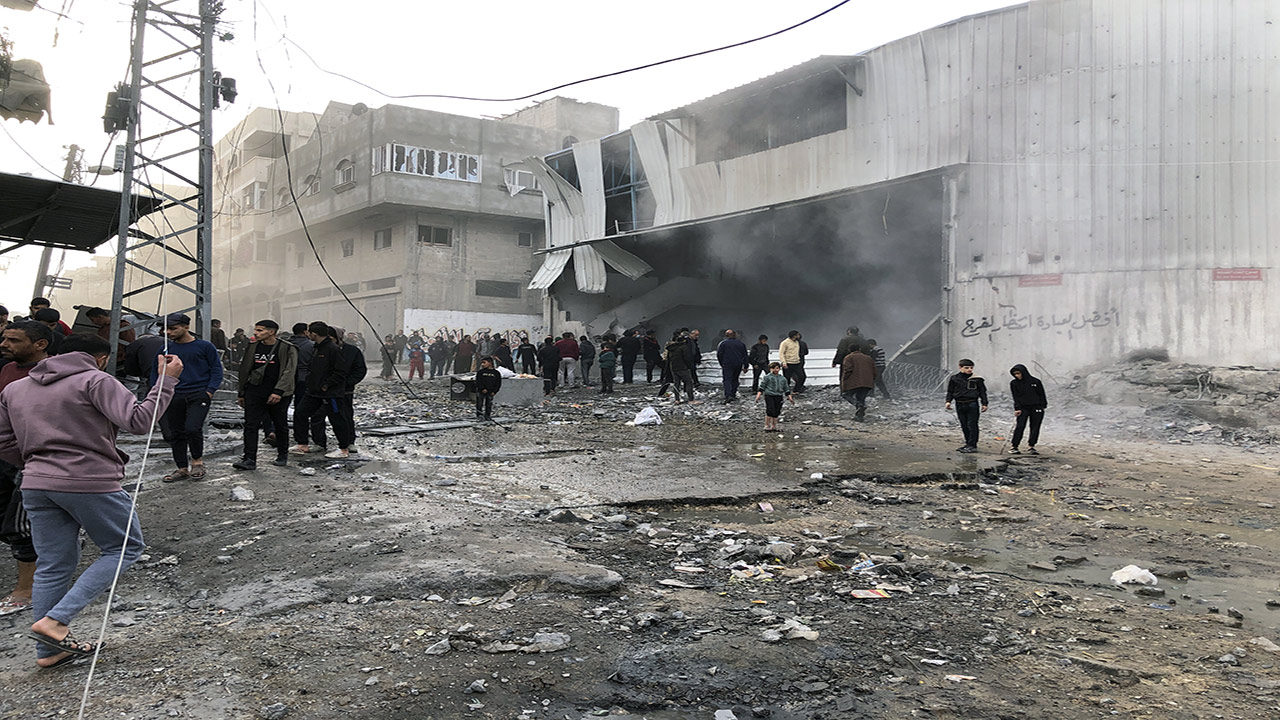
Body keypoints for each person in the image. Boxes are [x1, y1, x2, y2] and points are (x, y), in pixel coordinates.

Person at [0, 333, 181, 668]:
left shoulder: (15, 388)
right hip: (90, 481)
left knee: (53, 564)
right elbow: (139, 422)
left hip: (36, 484)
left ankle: (49, 651)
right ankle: (56, 621)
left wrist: (38, 464)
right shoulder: (96, 380)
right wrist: (165, 381)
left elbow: (3, 441)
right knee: (125, 547)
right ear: (101, 358)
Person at [0, 320, 54, 618]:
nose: (4, 345)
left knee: (19, 526)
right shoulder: (8, 370)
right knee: (5, 521)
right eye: (4, 338)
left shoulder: (53, 372)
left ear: (40, 344)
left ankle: (27, 590)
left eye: (13, 340)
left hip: (35, 459)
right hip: (6, 455)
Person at [154, 313, 223, 482]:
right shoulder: (165, 349)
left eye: (173, 328)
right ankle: (182, 467)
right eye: (166, 329)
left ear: (186, 327)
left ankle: (197, 462)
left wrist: (209, 390)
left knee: (193, 428)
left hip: (198, 394)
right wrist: (157, 391)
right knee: (176, 432)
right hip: (174, 394)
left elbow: (216, 369)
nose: (168, 332)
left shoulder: (204, 347)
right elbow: (155, 371)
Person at [233, 320, 297, 471]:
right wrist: (241, 392)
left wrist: (279, 391)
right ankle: (249, 458)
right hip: (254, 391)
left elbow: (289, 371)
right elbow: (245, 369)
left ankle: (282, 455)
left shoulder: (287, 348)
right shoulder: (253, 346)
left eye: (260, 330)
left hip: (278, 393)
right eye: (256, 330)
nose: (256, 333)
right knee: (251, 425)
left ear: (271, 331)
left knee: (280, 424)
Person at [291, 322, 352, 458]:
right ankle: (302, 444)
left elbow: (341, 371)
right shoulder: (316, 348)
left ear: (314, 334)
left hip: (331, 393)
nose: (307, 334)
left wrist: (327, 384)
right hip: (314, 391)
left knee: (337, 419)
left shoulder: (332, 349)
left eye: (309, 332)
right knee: (300, 412)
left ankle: (343, 449)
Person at [330, 327, 366, 458]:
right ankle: (319, 442)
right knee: (318, 416)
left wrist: (347, 383)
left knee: (345, 415)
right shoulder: (319, 350)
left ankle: (349, 442)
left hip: (344, 391)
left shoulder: (351, 351)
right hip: (323, 390)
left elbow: (360, 370)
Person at [281, 323, 314, 451]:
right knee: (301, 409)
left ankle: (277, 432)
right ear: (305, 332)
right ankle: (300, 434)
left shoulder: (285, 345)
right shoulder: (311, 346)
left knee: (281, 407)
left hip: (286, 379)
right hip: (304, 379)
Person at [944, 359, 988, 453]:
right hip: (959, 403)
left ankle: (972, 445)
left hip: (972, 403)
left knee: (972, 424)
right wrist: (948, 401)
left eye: (971, 368)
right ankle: (968, 443)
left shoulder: (977, 379)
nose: (969, 370)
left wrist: (984, 403)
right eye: (967, 368)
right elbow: (950, 391)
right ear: (960, 367)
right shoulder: (954, 378)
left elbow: (982, 392)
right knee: (964, 425)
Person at [1008, 364, 1048, 455]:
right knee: (1020, 426)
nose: (1017, 376)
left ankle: (1031, 446)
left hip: (1036, 407)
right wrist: (1017, 408)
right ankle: (1014, 445)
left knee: (1035, 427)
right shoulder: (1014, 383)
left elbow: (1041, 394)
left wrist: (1043, 405)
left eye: (1018, 373)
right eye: (1015, 374)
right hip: (1023, 408)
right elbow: (1015, 397)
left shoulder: (1035, 381)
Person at [840, 343, 876, 421]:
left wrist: (844, 381)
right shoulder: (868, 358)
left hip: (855, 381)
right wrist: (872, 380)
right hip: (867, 382)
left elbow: (847, 370)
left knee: (846, 395)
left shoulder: (849, 357)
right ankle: (860, 416)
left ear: (849, 350)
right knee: (861, 398)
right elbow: (874, 370)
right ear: (859, 349)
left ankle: (857, 405)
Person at [756, 362, 794, 432]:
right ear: (770, 369)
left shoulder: (783, 378)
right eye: (773, 368)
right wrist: (758, 395)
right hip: (769, 395)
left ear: (779, 369)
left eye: (777, 368)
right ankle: (767, 425)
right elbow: (762, 386)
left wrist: (790, 397)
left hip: (779, 395)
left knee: (777, 411)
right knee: (770, 410)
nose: (775, 370)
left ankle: (774, 425)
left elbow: (786, 389)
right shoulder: (767, 377)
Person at [715, 329, 749, 403]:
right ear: (735, 335)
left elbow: (719, 354)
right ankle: (733, 394)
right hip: (738, 364)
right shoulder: (741, 344)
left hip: (727, 364)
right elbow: (745, 355)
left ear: (726, 335)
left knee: (727, 379)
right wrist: (746, 366)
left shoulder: (723, 344)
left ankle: (728, 395)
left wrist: (722, 363)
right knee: (735, 379)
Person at [664, 331, 695, 403]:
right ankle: (691, 399)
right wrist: (691, 366)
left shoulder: (671, 348)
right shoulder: (684, 347)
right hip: (682, 367)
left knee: (676, 383)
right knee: (688, 382)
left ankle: (677, 399)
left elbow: (668, 359)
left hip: (673, 367)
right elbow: (687, 358)